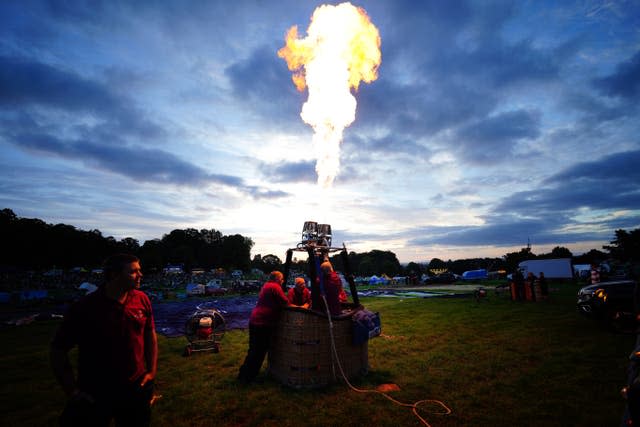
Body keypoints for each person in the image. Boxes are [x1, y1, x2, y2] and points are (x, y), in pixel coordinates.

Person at [50, 253, 158, 427]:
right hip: (96, 391)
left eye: (140, 270)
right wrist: (72, 391)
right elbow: (58, 350)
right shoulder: (84, 308)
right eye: (133, 271)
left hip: (136, 386)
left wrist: (151, 371)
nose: (141, 275)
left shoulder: (142, 299)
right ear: (114, 274)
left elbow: (149, 335)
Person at [238, 271, 289, 383]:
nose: (282, 281)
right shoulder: (275, 287)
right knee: (259, 351)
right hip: (263, 323)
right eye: (282, 279)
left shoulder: (266, 285)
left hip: (255, 320)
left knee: (253, 350)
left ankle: (244, 374)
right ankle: (247, 378)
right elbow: (285, 302)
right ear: (277, 279)